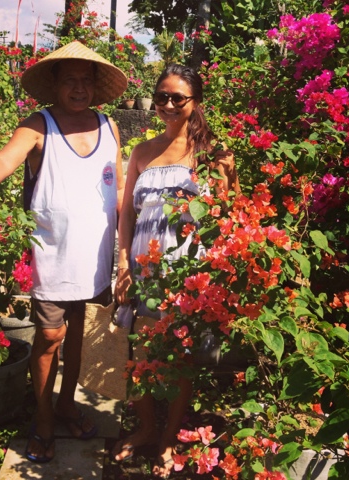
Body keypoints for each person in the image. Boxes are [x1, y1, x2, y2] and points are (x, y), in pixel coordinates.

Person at [0, 41, 127, 463]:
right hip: (53, 255)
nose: (79, 88)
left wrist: (136, 232)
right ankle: (44, 415)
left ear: (96, 86)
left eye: (86, 80)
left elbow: (120, 185)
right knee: (50, 336)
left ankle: (66, 404)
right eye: (70, 80)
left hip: (97, 256)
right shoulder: (39, 124)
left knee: (81, 334)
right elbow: (4, 160)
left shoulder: (108, 125)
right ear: (54, 84)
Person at [113, 64, 240, 478]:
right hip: (143, 269)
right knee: (141, 355)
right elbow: (126, 215)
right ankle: (147, 428)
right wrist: (122, 265)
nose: (168, 104)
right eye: (161, 96)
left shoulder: (211, 153)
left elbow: (227, 214)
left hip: (188, 272)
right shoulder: (142, 151)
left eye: (177, 98)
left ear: (195, 102)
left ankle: (168, 437)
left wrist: (229, 174)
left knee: (180, 359)